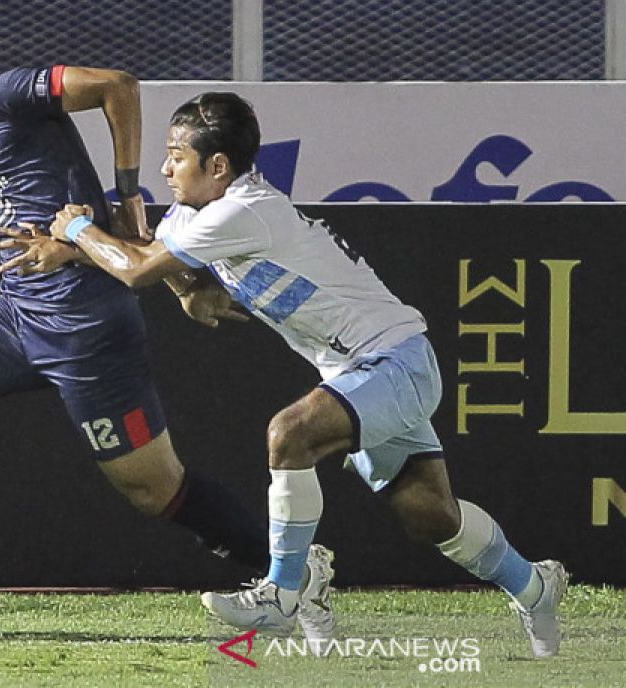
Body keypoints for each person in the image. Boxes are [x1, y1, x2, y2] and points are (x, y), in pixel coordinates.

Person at [0, 3, 335, 639]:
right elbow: (75, 221)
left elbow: (118, 86)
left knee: (155, 491)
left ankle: (296, 575)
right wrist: (165, 275)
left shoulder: (4, 96)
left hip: (89, 332)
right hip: (20, 313)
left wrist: (128, 192)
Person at [37, 91, 567, 658]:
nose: (165, 169)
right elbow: (171, 274)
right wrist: (120, 266)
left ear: (218, 166)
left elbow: (138, 269)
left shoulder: (242, 209)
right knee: (432, 516)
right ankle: (536, 586)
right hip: (360, 371)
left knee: (289, 434)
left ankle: (283, 592)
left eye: (176, 156)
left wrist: (76, 232)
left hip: (398, 361)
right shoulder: (194, 214)